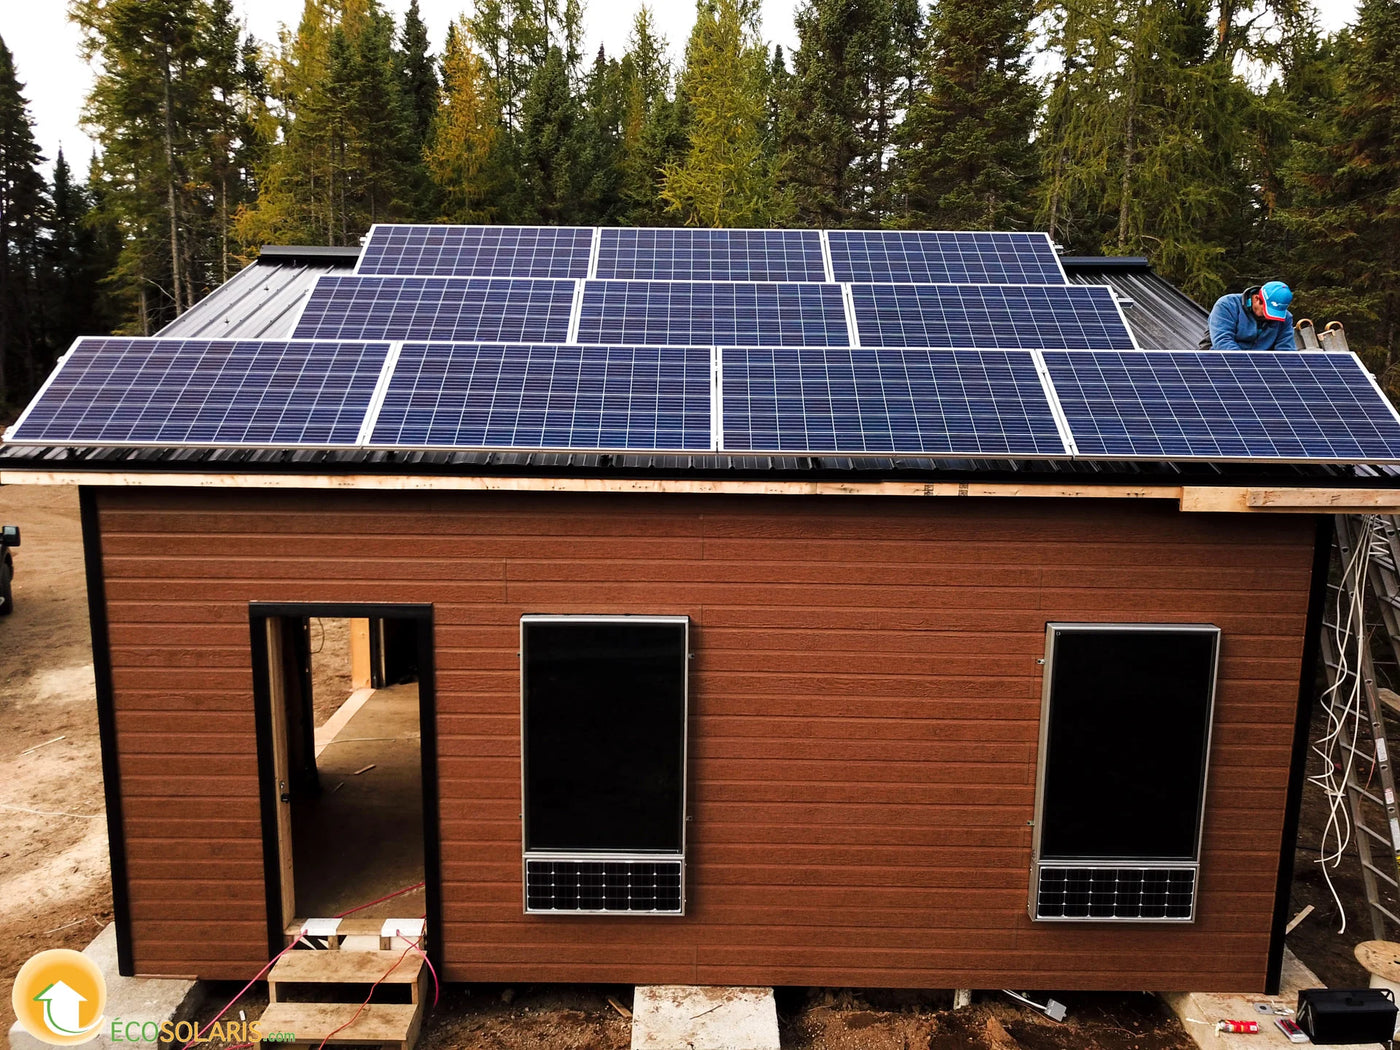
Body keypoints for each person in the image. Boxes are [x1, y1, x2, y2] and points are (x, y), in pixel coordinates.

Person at [1203, 281, 1296, 351]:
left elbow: (1286, 350)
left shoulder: (1285, 318)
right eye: (1267, 312)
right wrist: (1247, 367)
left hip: (1261, 367)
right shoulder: (1227, 305)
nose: (1269, 318)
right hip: (1220, 363)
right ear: (1256, 299)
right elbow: (1223, 342)